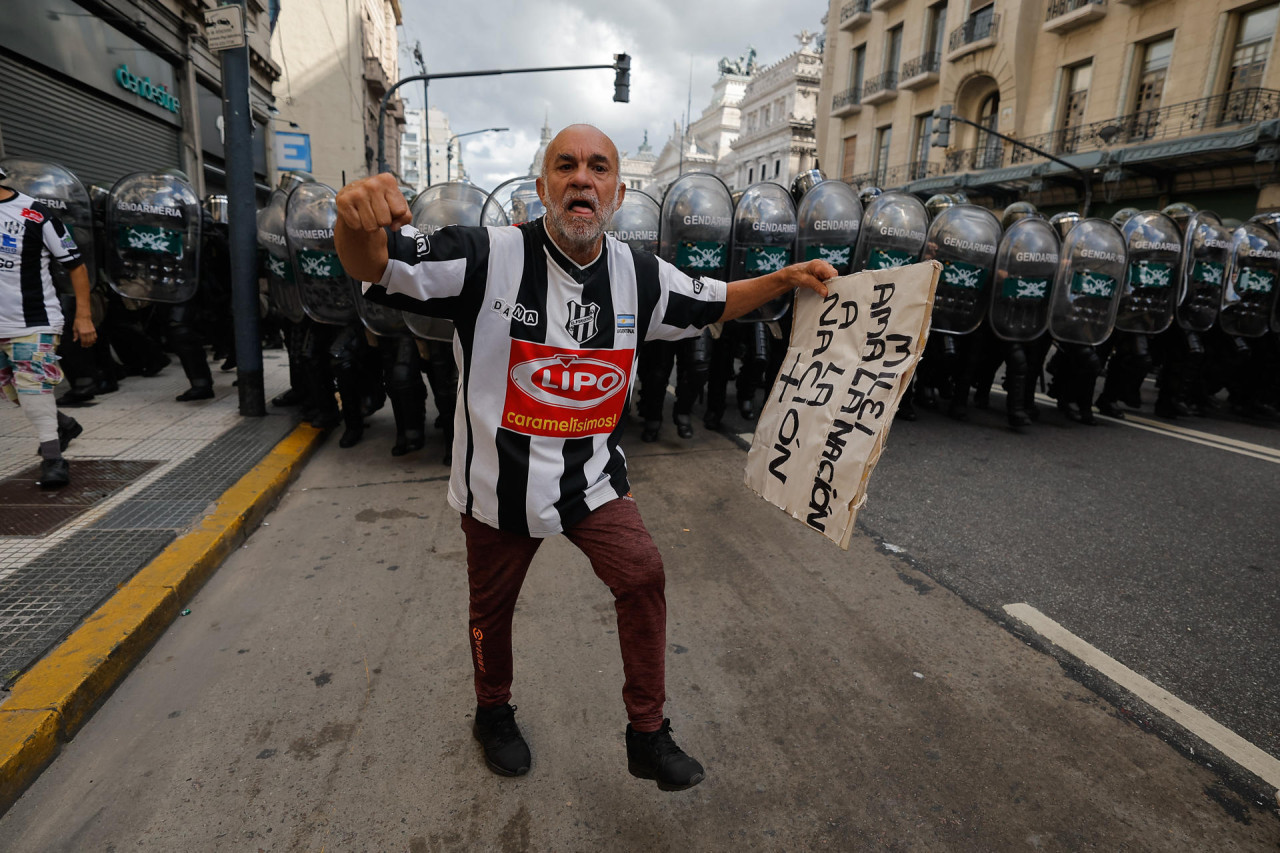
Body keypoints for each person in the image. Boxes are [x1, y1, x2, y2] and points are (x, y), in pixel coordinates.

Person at [335, 124, 835, 791]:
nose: (581, 179)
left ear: (618, 192)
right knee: (491, 611)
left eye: (598, 168)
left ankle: (647, 733)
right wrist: (353, 220)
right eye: (565, 166)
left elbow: (714, 298)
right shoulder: (486, 256)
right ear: (542, 186)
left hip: (592, 481)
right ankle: (493, 712)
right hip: (497, 487)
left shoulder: (639, 274)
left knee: (643, 574)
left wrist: (788, 277)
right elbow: (374, 263)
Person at [0, 166, 96, 488]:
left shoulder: (35, 215)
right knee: (14, 392)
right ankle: (63, 425)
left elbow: (76, 265)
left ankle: (53, 459)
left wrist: (83, 316)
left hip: (33, 320)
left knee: (32, 388)